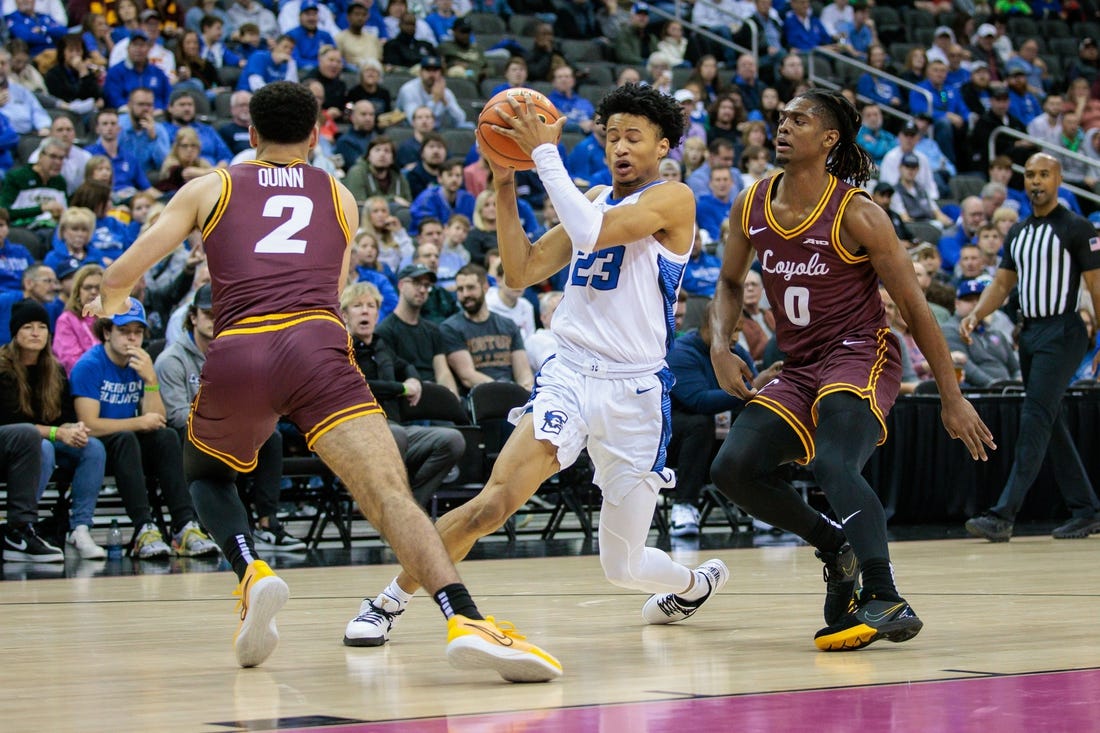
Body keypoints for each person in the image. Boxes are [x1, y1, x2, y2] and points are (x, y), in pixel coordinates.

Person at [83, 81, 560, 679]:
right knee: (390, 496)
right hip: (317, 345)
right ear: (315, 135)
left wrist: (108, 303)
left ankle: (251, 570)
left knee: (205, 471)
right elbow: (335, 290)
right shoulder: (340, 195)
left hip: (241, 347)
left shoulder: (212, 186)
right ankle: (465, 616)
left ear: (251, 135)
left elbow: (124, 272)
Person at [343, 83, 730, 649]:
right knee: (492, 504)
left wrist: (544, 153)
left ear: (664, 145)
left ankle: (694, 583)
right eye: (611, 136)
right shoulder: (593, 195)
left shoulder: (674, 200)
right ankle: (386, 603)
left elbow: (596, 233)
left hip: (636, 393)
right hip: (570, 376)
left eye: (634, 137)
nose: (619, 147)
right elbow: (519, 272)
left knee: (621, 567)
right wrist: (504, 181)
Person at [709, 89, 995, 652]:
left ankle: (885, 593)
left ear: (830, 138)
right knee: (732, 468)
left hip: (861, 350)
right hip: (798, 364)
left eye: (800, 119)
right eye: (782, 117)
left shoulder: (858, 212)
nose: (784, 125)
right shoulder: (750, 203)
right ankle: (833, 544)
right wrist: (720, 342)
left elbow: (914, 306)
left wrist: (951, 395)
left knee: (835, 461)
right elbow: (725, 283)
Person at [962, 153, 1100, 542]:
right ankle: (1086, 509)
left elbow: (1096, 287)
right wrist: (977, 315)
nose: (1036, 181)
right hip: (1031, 332)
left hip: (1064, 331)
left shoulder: (1077, 227)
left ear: (1058, 179)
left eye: (1044, 175)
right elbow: (1003, 284)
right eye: (1030, 175)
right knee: (1049, 420)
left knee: (1035, 416)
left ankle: (1003, 514)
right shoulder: (1019, 232)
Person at [155, 284, 306, 552]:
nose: (215, 320)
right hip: (192, 438)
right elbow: (177, 415)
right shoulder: (171, 360)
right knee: (180, 438)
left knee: (272, 436)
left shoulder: (238, 353)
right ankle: (200, 524)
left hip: (229, 431)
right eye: (209, 314)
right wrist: (222, 422)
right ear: (193, 317)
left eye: (221, 314)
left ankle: (266, 523)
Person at [71, 299, 218, 560]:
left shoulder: (142, 363)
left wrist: (150, 380)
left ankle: (184, 526)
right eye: (124, 331)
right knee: (127, 439)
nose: (132, 339)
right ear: (107, 332)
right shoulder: (89, 365)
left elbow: (157, 418)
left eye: (137, 332)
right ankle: (143, 529)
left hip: (129, 442)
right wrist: (138, 422)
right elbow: (89, 425)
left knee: (166, 437)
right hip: (97, 445)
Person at [342, 281, 465, 506]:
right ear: (345, 315)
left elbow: (405, 365)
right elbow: (359, 385)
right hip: (360, 433)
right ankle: (389, 507)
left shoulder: (381, 345)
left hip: (395, 428)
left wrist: (413, 379)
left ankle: (410, 506)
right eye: (357, 306)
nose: (365, 311)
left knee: (452, 440)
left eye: (371, 306)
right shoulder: (341, 348)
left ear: (378, 313)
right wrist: (402, 388)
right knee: (395, 434)